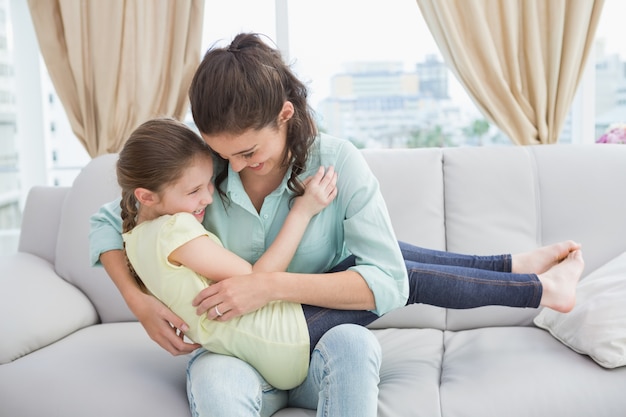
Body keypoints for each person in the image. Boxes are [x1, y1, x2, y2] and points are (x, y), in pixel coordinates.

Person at [90, 32, 584, 417]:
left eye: (248, 152)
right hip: (235, 349)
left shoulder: (334, 162)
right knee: (382, 261)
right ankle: (523, 274)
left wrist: (268, 287)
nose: (233, 169)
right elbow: (112, 219)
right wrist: (140, 303)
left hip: (316, 337)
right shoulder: (197, 172)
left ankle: (523, 274)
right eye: (223, 153)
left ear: (285, 115)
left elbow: (388, 280)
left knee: (370, 295)